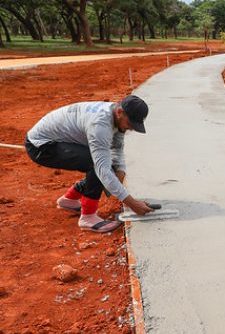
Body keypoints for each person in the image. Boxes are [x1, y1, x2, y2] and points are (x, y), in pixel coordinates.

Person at [25, 95, 156, 233]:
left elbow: (116, 147)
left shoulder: (116, 115)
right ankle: (88, 217)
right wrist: (132, 203)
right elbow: (102, 169)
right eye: (130, 124)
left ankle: (69, 200)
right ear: (119, 112)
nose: (130, 129)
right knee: (96, 164)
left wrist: (121, 171)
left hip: (58, 140)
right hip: (41, 146)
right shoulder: (100, 125)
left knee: (108, 165)